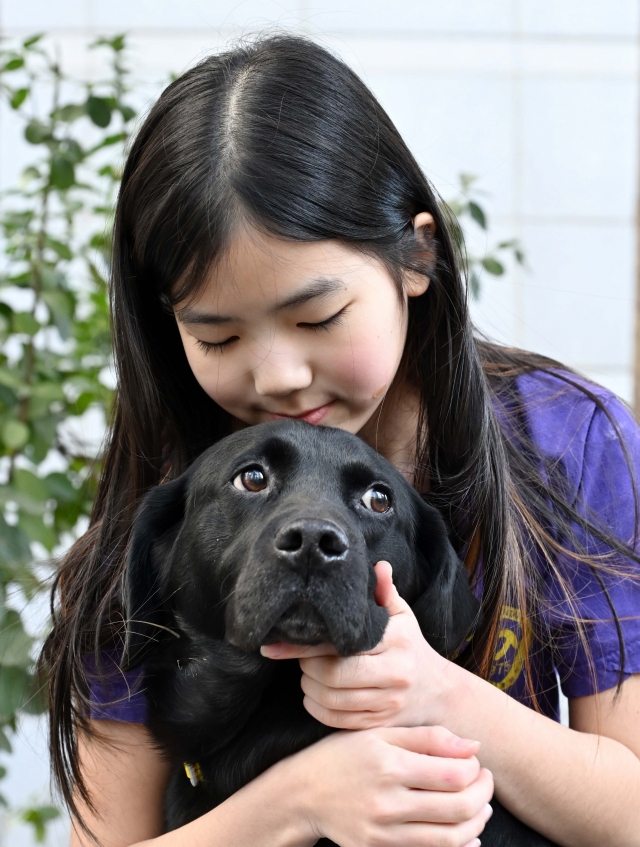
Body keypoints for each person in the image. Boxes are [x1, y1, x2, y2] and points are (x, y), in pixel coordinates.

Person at [42, 34, 640, 847]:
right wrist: (301, 801)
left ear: (416, 258)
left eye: (316, 317)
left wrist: (442, 696)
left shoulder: (565, 443)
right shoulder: (168, 516)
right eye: (218, 338)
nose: (280, 375)